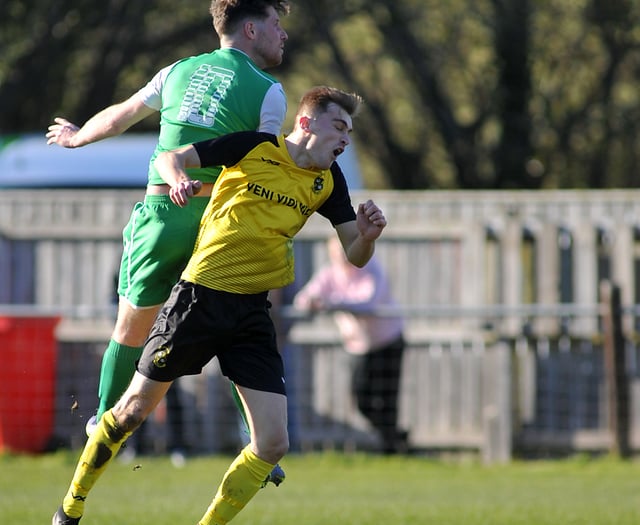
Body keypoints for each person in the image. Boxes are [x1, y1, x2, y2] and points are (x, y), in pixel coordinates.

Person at [51, 85, 387, 525]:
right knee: (131, 411)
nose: (345, 139)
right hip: (199, 298)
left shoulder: (328, 181)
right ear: (306, 122)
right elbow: (170, 158)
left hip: (251, 313)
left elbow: (354, 256)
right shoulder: (254, 147)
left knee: (271, 444)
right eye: (338, 127)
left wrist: (367, 236)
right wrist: (178, 182)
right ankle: (71, 507)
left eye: (349, 131)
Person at [45, 0, 290, 478]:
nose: (284, 35)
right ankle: (257, 445)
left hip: (162, 213)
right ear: (251, 30)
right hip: (218, 223)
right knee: (232, 329)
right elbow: (258, 168)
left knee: (130, 330)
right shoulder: (269, 92)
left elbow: (121, 115)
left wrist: (77, 138)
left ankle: (102, 421)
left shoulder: (177, 70)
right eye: (277, 26)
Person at [293, 236, 408, 453]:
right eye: (336, 252)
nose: (342, 257)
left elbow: (369, 302)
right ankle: (396, 437)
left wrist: (333, 304)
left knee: (388, 399)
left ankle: (391, 447)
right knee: (362, 399)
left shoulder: (371, 268)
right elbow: (304, 299)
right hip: (359, 346)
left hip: (387, 341)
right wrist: (312, 302)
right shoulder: (329, 274)